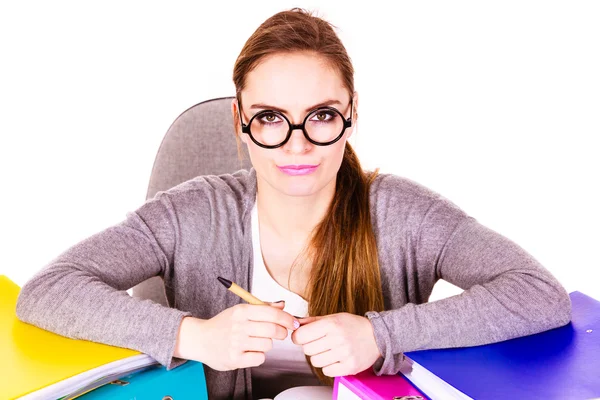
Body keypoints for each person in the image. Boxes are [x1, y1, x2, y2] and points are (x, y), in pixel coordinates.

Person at [16, 8, 571, 400]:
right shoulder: (190, 213)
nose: (298, 144)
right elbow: (49, 290)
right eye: (270, 118)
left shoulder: (405, 214)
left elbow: (539, 294)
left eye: (322, 116)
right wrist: (196, 335)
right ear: (241, 121)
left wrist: (382, 335)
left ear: (352, 113)